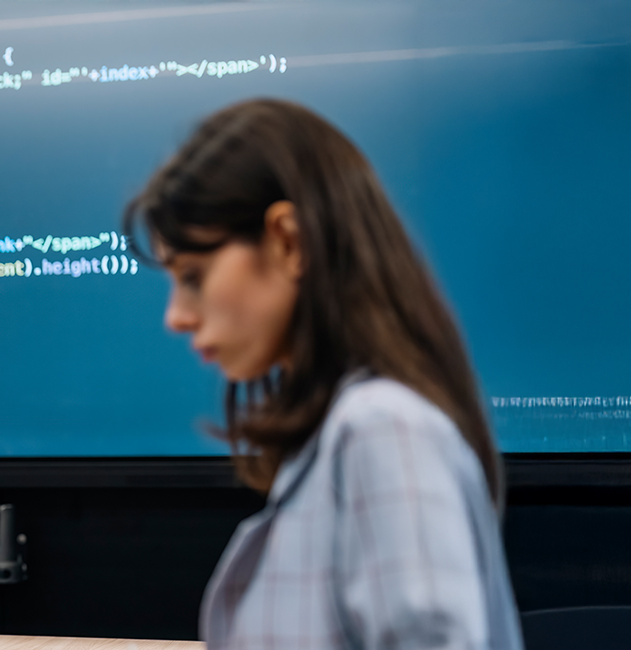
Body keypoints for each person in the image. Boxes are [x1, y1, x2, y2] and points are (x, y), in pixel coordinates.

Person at [123, 99, 522, 649]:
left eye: (193, 276)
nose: (176, 317)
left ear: (289, 241)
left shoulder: (382, 428)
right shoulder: (343, 436)